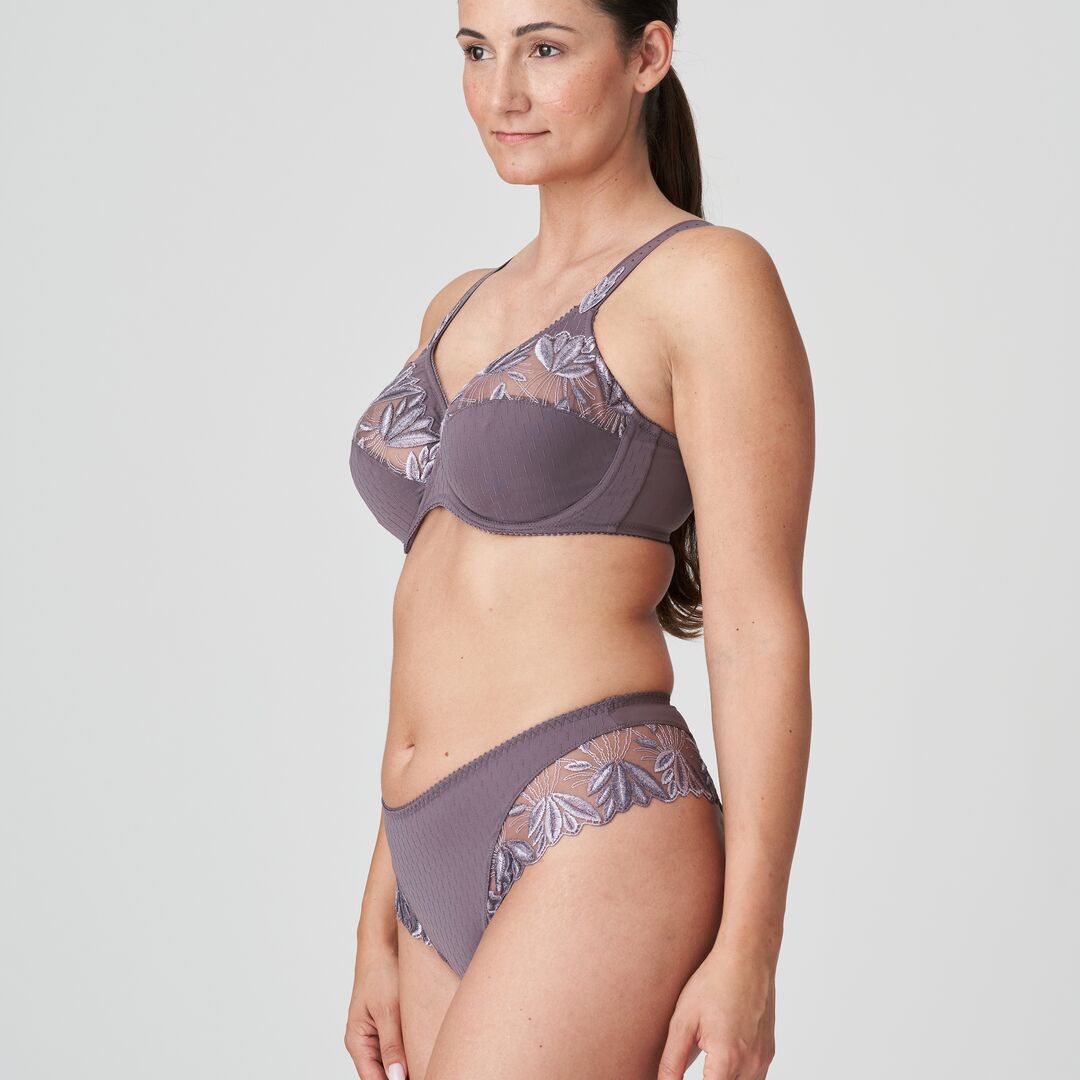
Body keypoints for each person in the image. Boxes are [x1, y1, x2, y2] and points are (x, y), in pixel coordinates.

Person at [344, 4, 814, 1078]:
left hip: (595, 815)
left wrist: (751, 951)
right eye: (477, 51)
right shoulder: (457, 305)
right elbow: (437, 620)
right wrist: (378, 910)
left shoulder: (706, 280)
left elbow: (755, 628)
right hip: (422, 845)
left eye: (545, 48)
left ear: (648, 55)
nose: (501, 92)